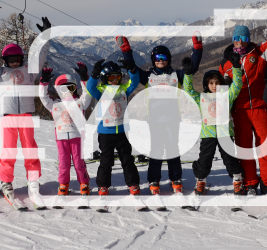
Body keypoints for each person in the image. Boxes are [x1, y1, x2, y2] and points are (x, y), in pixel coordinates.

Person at [116, 34, 202, 195]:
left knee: (172, 149)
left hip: (173, 119)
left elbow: (193, 67)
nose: (160, 60)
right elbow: (132, 67)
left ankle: (175, 178)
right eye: (157, 57)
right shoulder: (148, 76)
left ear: (169, 59)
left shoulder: (177, 75)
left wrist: (197, 48)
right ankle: (154, 179)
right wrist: (126, 50)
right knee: (155, 150)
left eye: (164, 57)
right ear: (153, 60)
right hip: (154, 120)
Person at [218, 0, 267, 195]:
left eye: (244, 38)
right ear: (232, 40)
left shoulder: (259, 53)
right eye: (236, 39)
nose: (240, 42)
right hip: (239, 111)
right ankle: (250, 182)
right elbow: (220, 91)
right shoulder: (225, 64)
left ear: (248, 40)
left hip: (259, 107)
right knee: (244, 148)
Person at [0, 16, 51, 200]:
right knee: (9, 150)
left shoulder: (29, 71)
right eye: (11, 59)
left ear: (22, 58)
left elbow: (40, 56)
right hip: (8, 117)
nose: (14, 62)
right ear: (5, 59)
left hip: (26, 116)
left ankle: (33, 179)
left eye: (17, 58)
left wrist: (45, 36)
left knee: (30, 149)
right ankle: (6, 180)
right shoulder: (0, 73)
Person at [181, 52, 244, 195]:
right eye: (211, 83)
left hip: (225, 133)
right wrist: (188, 74)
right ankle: (200, 180)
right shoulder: (201, 98)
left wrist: (236, 67)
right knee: (205, 160)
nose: (214, 86)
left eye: (217, 83)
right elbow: (188, 91)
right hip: (208, 135)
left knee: (230, 159)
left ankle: (237, 180)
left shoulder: (227, 96)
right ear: (206, 84)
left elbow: (237, 85)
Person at [85, 58, 141, 197]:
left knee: (127, 159)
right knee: (106, 160)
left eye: (118, 77)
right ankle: (103, 186)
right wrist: (94, 75)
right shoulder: (100, 91)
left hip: (122, 131)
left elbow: (134, 82)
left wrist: (132, 70)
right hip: (105, 132)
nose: (115, 80)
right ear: (105, 78)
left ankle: (133, 184)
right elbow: (90, 88)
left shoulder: (123, 89)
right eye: (111, 77)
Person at [38, 63, 93, 202]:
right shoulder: (54, 104)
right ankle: (63, 184)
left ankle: (84, 183)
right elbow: (43, 97)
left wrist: (84, 79)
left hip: (77, 137)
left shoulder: (80, 102)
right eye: (64, 89)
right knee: (64, 163)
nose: (68, 92)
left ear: (75, 88)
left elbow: (87, 94)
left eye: (71, 88)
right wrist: (43, 83)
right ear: (58, 91)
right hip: (61, 138)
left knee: (79, 162)